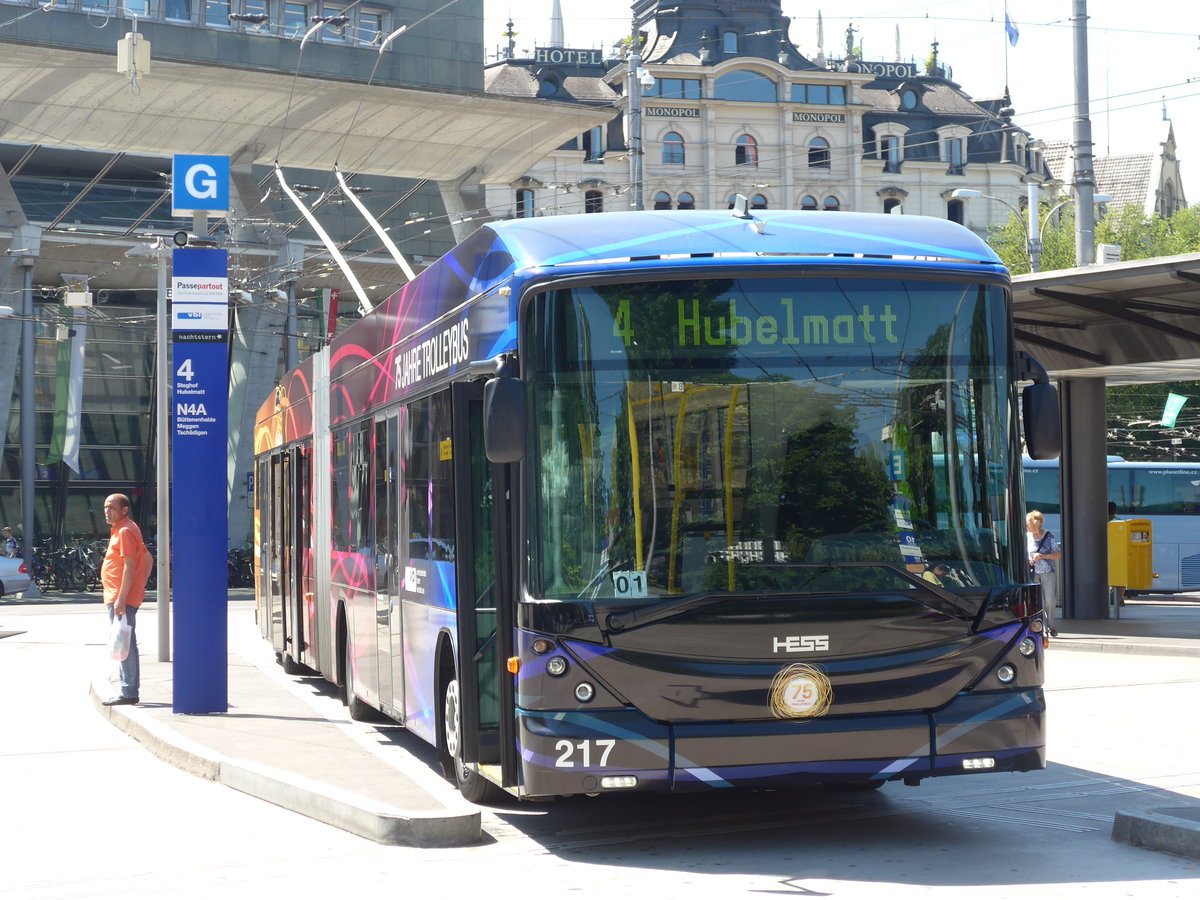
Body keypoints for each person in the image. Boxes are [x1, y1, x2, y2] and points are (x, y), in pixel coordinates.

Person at [101, 493, 146, 706]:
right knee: (123, 643)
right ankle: (128, 690)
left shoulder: (126, 530)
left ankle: (128, 692)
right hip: (120, 596)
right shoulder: (122, 529)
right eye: (105, 507)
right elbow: (147, 557)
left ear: (124, 510)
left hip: (121, 598)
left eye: (111, 507)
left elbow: (130, 566)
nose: (107, 511)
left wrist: (122, 598)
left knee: (124, 643)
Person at [1026, 510, 1062, 637]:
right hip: (1033, 573)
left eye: (1030, 524)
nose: (1028, 527)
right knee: (1038, 601)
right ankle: (1043, 627)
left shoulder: (1048, 536)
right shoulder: (1027, 537)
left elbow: (1058, 554)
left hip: (1048, 572)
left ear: (1037, 524)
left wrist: (1043, 556)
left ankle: (1051, 625)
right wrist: (1030, 559)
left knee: (1050, 600)